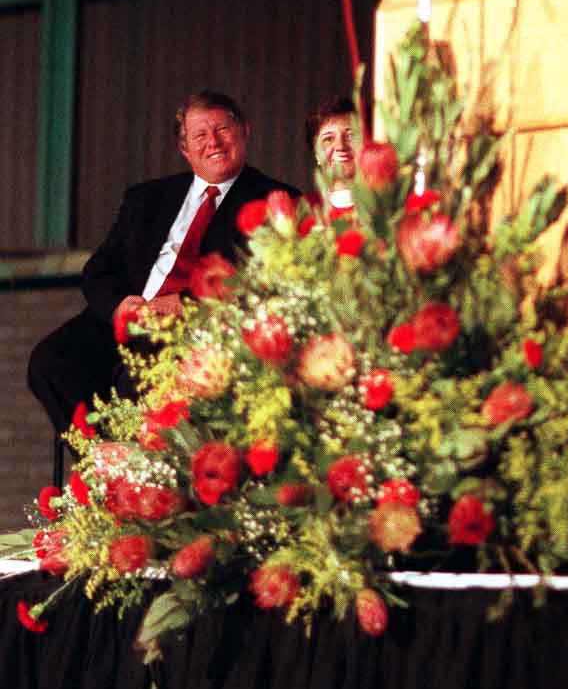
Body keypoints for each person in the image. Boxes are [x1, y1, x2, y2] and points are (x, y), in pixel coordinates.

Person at [28, 90, 300, 435]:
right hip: (128, 317)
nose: (213, 142)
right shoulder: (147, 197)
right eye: (200, 135)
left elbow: (256, 280)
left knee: (146, 374)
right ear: (184, 149)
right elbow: (99, 269)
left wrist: (183, 305)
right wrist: (118, 308)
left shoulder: (276, 200)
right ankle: (105, 465)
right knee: (50, 361)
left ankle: (144, 469)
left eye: (222, 129)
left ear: (245, 131)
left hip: (195, 327)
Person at [304, 96, 358, 209]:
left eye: (350, 136)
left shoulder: (391, 212)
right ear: (316, 153)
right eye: (328, 139)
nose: (340, 146)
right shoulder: (302, 212)